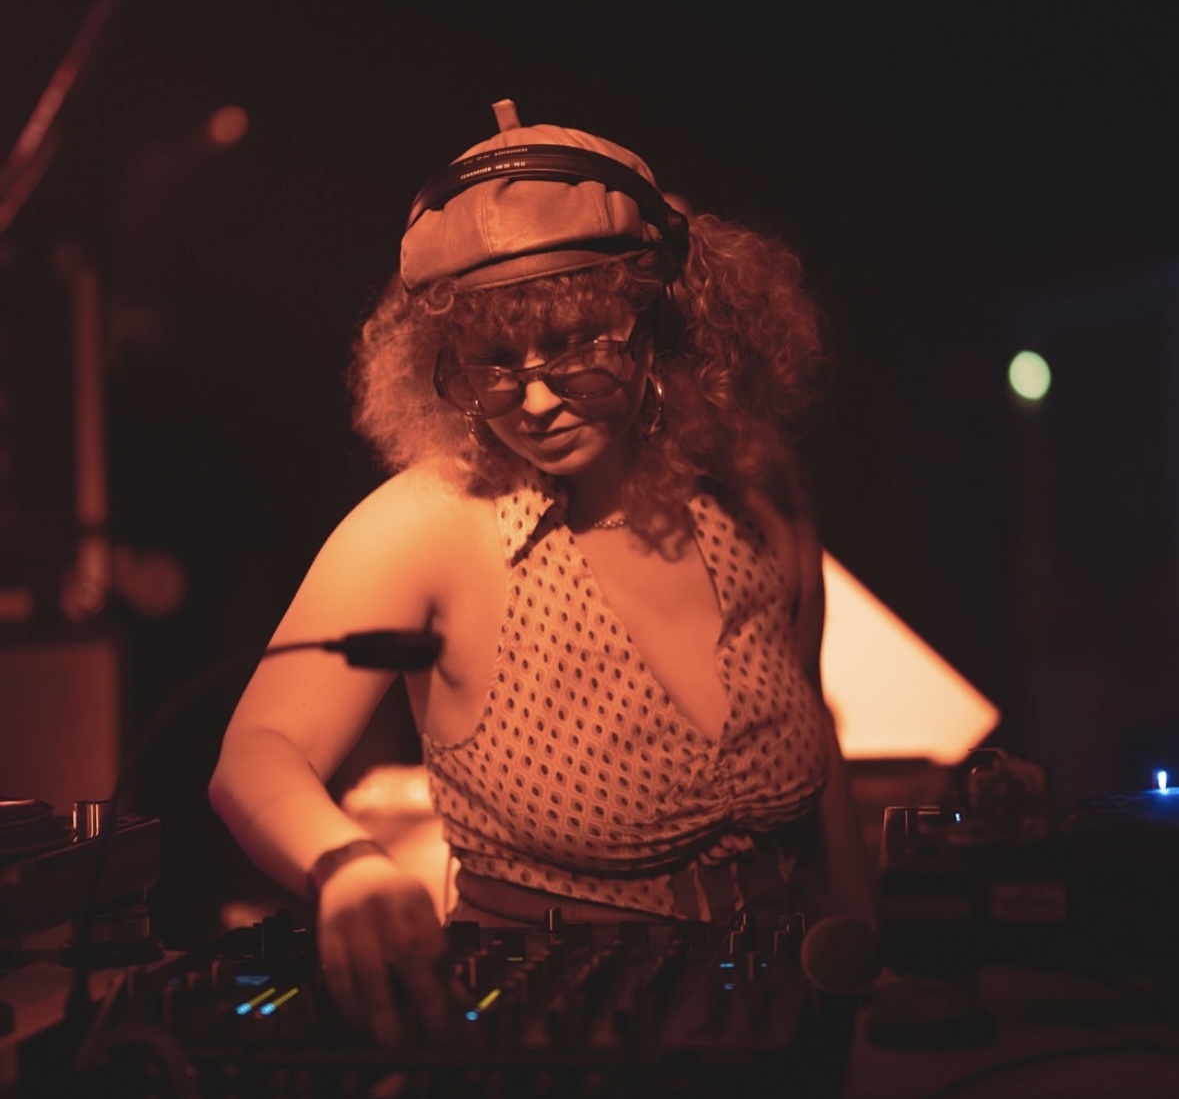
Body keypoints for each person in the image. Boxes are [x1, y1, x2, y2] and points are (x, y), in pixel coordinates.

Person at [208, 99, 876, 1047]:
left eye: (570, 344)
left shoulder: (756, 488)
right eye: (489, 360)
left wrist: (869, 982)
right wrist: (344, 864)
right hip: (555, 1036)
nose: (530, 397)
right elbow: (257, 752)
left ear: (658, 322)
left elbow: (820, 747)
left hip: (787, 1009)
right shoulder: (431, 522)